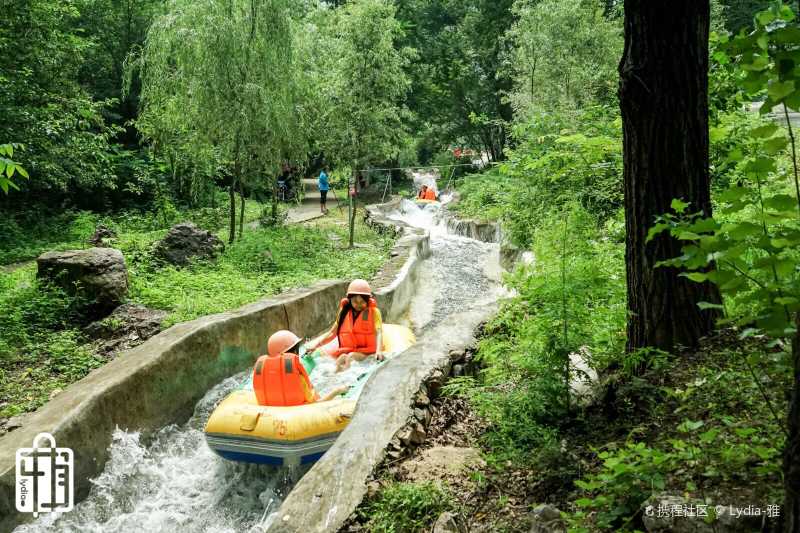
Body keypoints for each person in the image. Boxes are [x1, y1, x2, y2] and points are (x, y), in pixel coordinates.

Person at [252, 330, 347, 406]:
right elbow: (315, 405)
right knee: (330, 380)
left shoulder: (263, 371)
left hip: (273, 410)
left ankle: (337, 369)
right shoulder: (298, 377)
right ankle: (338, 373)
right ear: (295, 352)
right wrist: (337, 391)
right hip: (302, 410)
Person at [306, 279, 384, 372]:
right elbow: (332, 333)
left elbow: (378, 332)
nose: (358, 305)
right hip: (350, 350)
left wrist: (378, 351)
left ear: (367, 300)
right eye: (355, 301)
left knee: (351, 356)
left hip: (368, 351)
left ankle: (346, 382)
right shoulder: (344, 312)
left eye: (362, 301)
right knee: (342, 357)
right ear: (349, 299)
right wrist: (315, 346)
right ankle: (334, 379)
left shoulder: (374, 312)